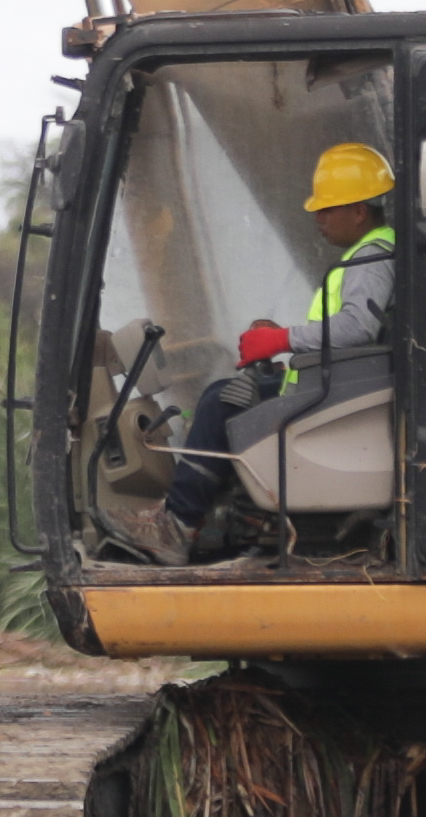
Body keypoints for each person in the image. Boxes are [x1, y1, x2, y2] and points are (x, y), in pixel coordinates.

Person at [165, 140, 401, 542]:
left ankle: (178, 525)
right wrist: (284, 350)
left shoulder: (371, 260)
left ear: (359, 211)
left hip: (336, 399)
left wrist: (280, 340)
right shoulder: (375, 252)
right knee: (228, 394)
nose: (318, 219)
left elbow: (357, 327)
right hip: (333, 387)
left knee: (220, 402)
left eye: (327, 209)